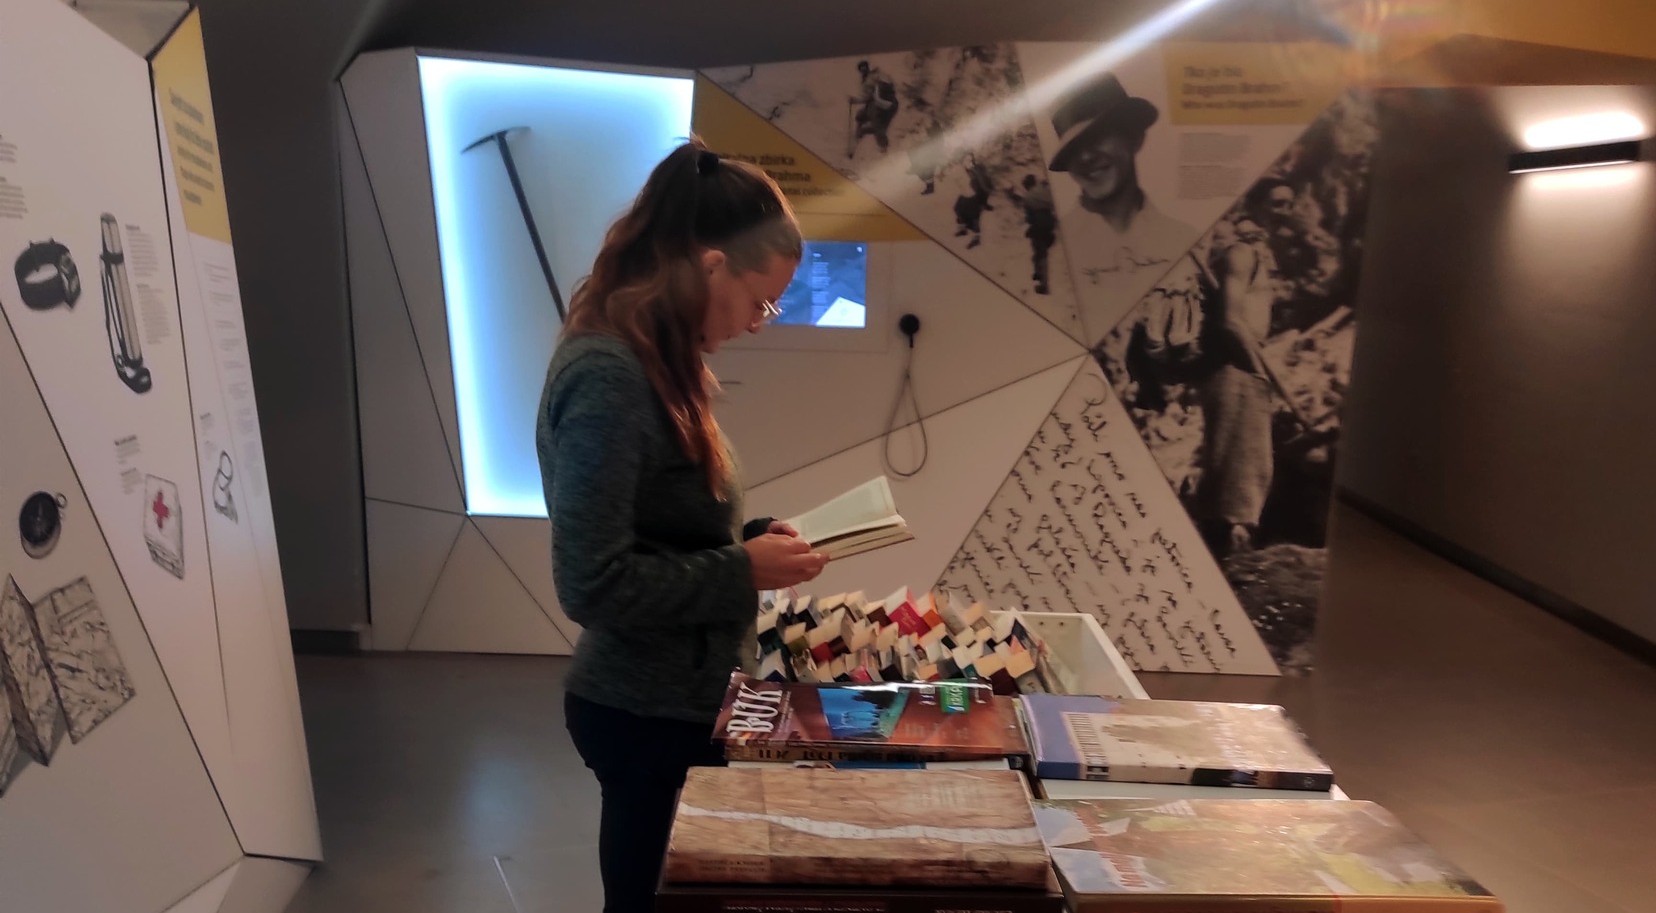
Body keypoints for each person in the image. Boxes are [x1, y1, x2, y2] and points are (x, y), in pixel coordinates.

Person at [537, 139, 829, 913]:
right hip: (643, 712)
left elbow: (662, 524)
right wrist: (742, 569)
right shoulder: (608, 377)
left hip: (677, 703)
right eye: (760, 301)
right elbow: (592, 581)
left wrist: (751, 539)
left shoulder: (654, 362)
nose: (760, 324)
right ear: (711, 266)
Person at [1047, 72, 1194, 332]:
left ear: (1134, 137)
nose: (1085, 156)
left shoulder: (1184, 239)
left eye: (1097, 136)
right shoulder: (1058, 247)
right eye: (1073, 149)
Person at [1193, 179, 1295, 556]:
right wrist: (1258, 369)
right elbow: (1231, 321)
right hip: (1235, 367)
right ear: (1255, 207)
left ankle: (1229, 548)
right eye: (1277, 204)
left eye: (1289, 204)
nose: (1285, 211)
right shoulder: (1240, 253)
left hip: (1244, 365)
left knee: (1251, 467)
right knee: (1238, 471)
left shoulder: (1256, 254)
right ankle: (1230, 554)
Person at [1015, 173, 1057, 294]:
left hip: (1038, 224)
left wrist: (1029, 228)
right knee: (1041, 253)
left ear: (1026, 185)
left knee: (1040, 253)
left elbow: (1030, 218)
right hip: (1049, 223)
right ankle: (1039, 274)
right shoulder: (1045, 190)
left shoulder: (1028, 198)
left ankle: (1044, 284)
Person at [848, 59, 899, 157]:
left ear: (868, 68)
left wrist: (857, 100)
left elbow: (886, 84)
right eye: (861, 69)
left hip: (881, 104)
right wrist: (855, 100)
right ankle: (858, 135)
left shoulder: (875, 75)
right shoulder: (864, 82)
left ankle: (884, 148)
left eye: (865, 67)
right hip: (872, 104)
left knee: (877, 126)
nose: (863, 70)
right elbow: (866, 97)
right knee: (860, 116)